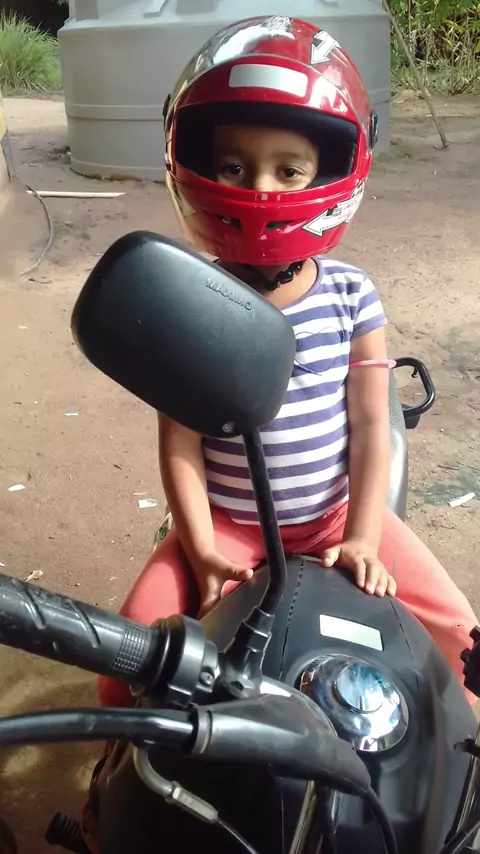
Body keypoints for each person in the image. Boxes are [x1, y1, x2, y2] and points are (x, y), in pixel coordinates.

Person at [99, 16, 476, 706]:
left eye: (289, 169)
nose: (262, 188)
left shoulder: (352, 296)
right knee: (123, 666)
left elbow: (372, 427)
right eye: (234, 167)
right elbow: (180, 441)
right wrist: (201, 546)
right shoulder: (191, 297)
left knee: (465, 641)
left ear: (328, 171)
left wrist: (363, 537)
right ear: (197, 164)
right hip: (230, 524)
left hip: (336, 515)